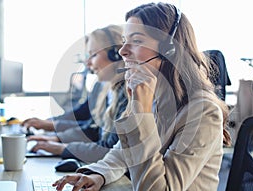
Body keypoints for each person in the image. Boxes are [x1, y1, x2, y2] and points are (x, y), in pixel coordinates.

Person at [52, 2, 232, 191]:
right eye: (124, 41)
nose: (122, 51)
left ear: (169, 50)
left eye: (136, 41)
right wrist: (98, 175)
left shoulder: (203, 112)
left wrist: (141, 114)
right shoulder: (154, 97)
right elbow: (122, 152)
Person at [27, 24, 128, 163]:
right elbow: (93, 129)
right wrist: (57, 138)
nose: (88, 63)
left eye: (93, 54)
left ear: (115, 55)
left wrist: (61, 147)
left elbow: (109, 149)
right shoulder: (108, 89)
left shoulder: (128, 95)